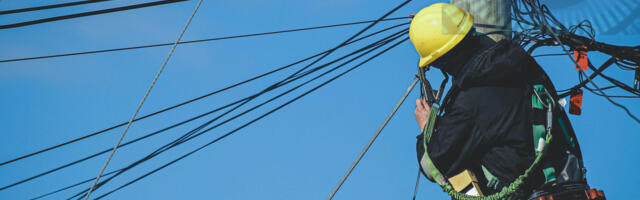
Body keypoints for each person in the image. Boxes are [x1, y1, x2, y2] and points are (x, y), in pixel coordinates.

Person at [410, 3, 596, 200]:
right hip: (574, 190)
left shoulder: (471, 102)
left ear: (442, 61)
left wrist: (426, 127)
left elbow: (433, 166)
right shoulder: (525, 66)